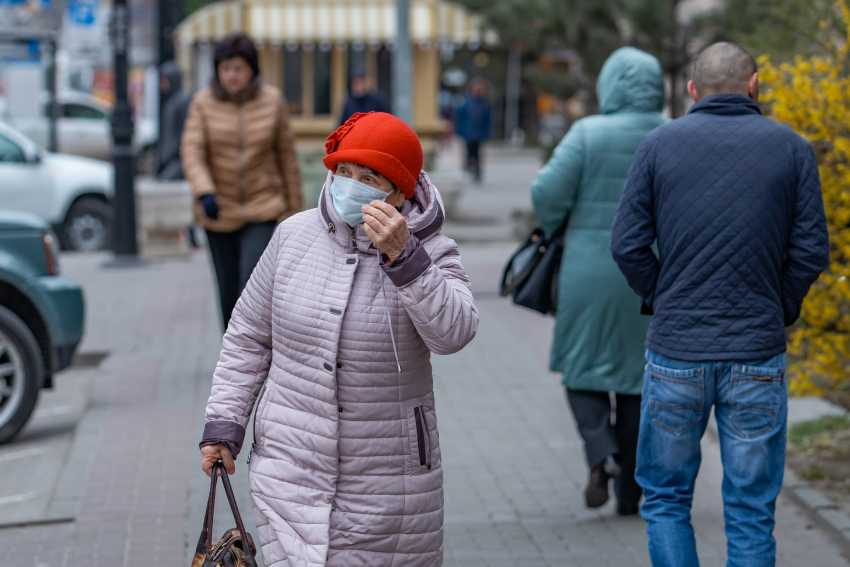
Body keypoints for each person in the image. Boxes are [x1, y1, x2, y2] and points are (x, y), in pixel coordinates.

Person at [198, 111, 479, 566]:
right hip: (288, 475)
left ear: (401, 192)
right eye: (344, 172)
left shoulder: (431, 251)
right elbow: (249, 336)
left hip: (389, 486)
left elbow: (454, 332)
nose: (351, 185)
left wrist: (405, 257)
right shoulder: (292, 236)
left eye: (369, 177)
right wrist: (225, 423)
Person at [610, 42, 829, 566]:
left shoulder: (658, 146)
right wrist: (779, 306)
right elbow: (810, 250)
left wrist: (666, 297)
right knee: (752, 507)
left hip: (676, 353)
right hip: (757, 351)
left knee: (665, 499)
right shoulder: (792, 148)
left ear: (692, 90)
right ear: (754, 84)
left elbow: (626, 244)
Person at [530, 47, 666, 516]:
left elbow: (545, 194)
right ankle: (631, 491)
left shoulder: (587, 133)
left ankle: (599, 452)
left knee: (582, 369)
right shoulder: (671, 133)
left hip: (588, 268)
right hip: (652, 273)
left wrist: (560, 222)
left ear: (609, 85)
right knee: (636, 380)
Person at [182, 34, 302, 330]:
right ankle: (234, 357)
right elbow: (192, 150)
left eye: (237, 68)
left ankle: (258, 350)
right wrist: (204, 190)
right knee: (227, 288)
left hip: (263, 207)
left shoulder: (272, 102)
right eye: (225, 69)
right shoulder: (202, 103)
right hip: (218, 209)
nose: (231, 75)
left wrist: (297, 214)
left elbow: (287, 157)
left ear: (252, 70)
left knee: (252, 281)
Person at [157, 61, 192, 180]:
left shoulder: (183, 101)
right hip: (171, 156)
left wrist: (174, 150)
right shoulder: (171, 101)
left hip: (177, 158)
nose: (161, 85)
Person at [454, 78, 491, 182]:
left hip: (479, 135)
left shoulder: (484, 104)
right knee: (469, 153)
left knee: (478, 154)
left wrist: (487, 133)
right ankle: (468, 169)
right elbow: (460, 118)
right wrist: (460, 132)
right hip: (468, 134)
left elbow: (487, 121)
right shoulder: (466, 103)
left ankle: (477, 172)